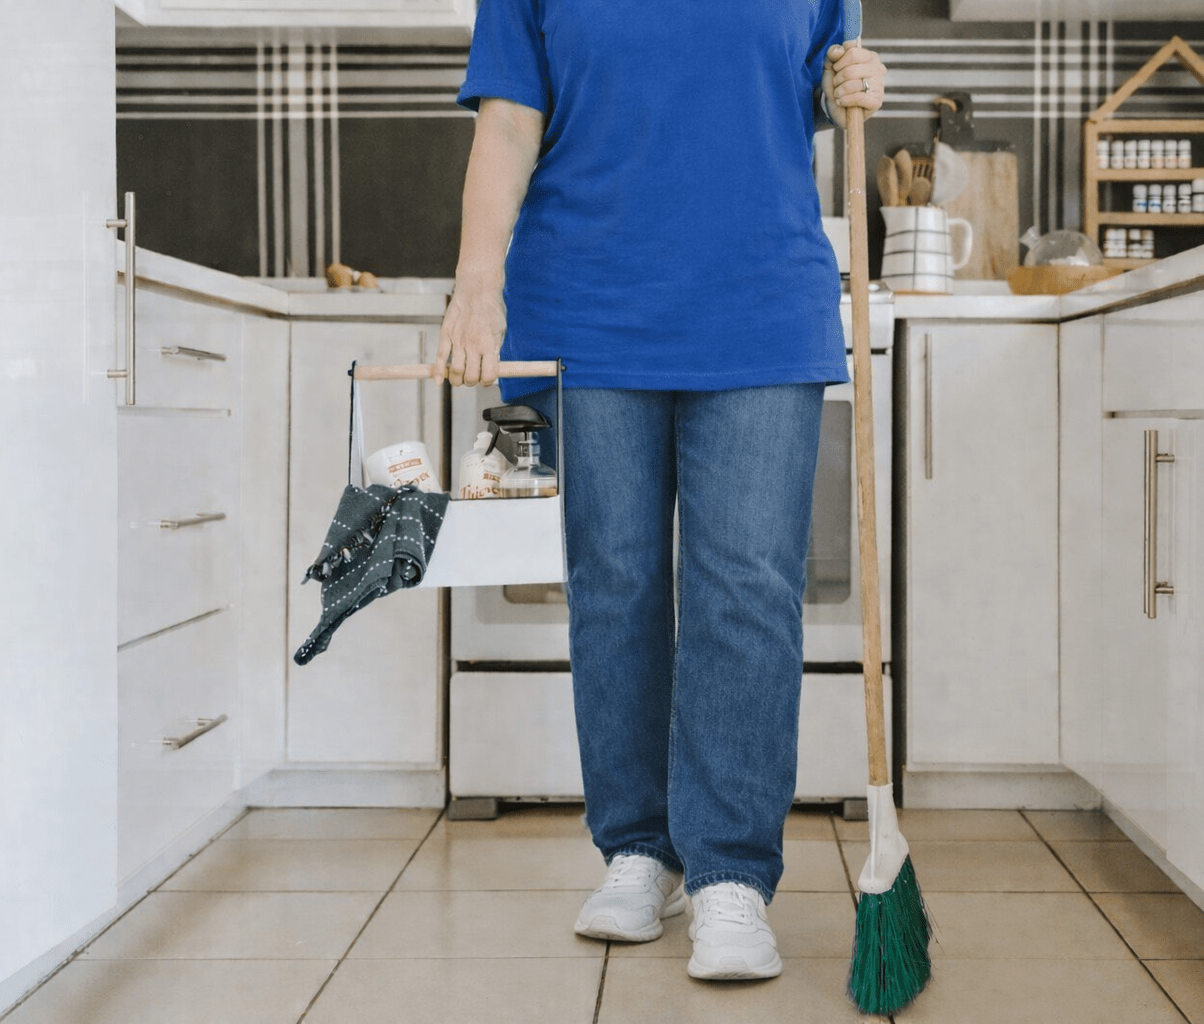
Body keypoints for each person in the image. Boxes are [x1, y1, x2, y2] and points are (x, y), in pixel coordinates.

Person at [440, 1, 886, 981]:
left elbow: (810, 84)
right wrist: (478, 282)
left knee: (748, 586)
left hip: (762, 295)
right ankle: (639, 849)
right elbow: (509, 118)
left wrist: (848, 87)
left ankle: (730, 874)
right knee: (617, 582)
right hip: (588, 301)